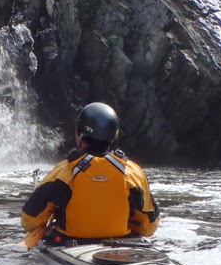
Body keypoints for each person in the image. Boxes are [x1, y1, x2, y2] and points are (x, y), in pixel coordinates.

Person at [21, 102, 159, 244]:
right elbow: (149, 227)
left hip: (70, 243)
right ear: (113, 135)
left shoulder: (64, 172)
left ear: (80, 135)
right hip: (121, 245)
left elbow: (29, 220)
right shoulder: (133, 172)